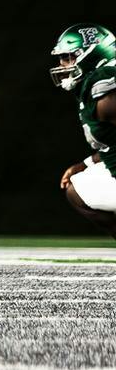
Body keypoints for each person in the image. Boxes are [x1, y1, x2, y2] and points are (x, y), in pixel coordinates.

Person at [50, 25, 116, 240]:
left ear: (92, 55)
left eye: (68, 57)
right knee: (78, 186)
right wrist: (88, 163)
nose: (62, 65)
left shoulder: (105, 89)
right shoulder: (93, 87)